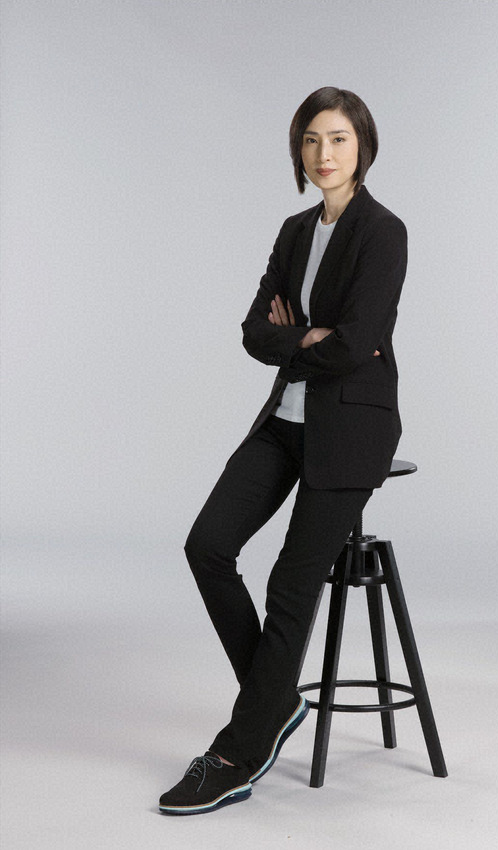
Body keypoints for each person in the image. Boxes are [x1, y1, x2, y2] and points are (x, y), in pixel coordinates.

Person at [158, 86, 408, 815]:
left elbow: (357, 344)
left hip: (352, 430)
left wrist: (293, 336)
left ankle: (238, 751)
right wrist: (307, 336)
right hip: (284, 421)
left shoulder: (382, 232)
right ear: (299, 151)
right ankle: (273, 704)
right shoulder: (295, 230)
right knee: (207, 547)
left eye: (337, 139)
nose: (323, 154)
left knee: (289, 586)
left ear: (362, 145)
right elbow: (252, 332)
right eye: (310, 140)